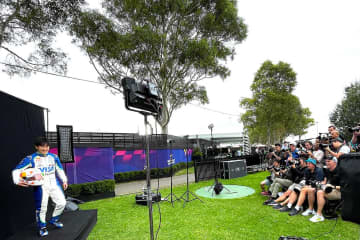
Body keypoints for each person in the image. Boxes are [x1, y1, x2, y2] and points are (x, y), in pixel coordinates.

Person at [12, 137, 68, 237]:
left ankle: (54, 220)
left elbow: (59, 169)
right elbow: (16, 170)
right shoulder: (30, 158)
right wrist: (17, 181)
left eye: (47, 147)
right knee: (42, 208)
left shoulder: (54, 157)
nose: (45, 149)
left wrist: (64, 180)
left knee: (62, 203)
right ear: (36, 147)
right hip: (40, 185)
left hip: (54, 183)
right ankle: (42, 227)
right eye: (42, 147)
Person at [310, 157, 341, 222]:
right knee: (313, 189)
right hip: (329, 189)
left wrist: (333, 187)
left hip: (339, 191)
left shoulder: (340, 171)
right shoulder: (327, 170)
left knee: (320, 192)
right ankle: (312, 210)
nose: (327, 163)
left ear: (335, 162)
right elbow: (325, 181)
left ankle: (319, 215)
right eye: (326, 161)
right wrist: (320, 184)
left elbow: (345, 186)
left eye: (329, 161)